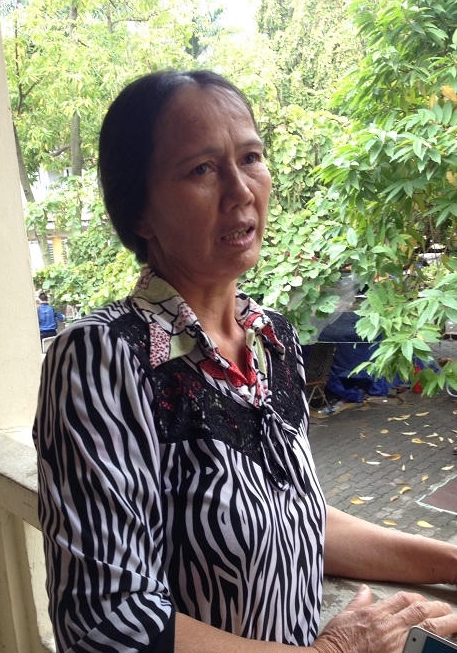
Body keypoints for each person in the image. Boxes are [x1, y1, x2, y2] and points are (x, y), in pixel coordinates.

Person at [33, 70, 457, 653]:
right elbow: (106, 620)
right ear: (140, 212)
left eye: (251, 158)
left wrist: (450, 561)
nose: (241, 191)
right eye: (201, 169)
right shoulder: (103, 357)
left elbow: (295, 519)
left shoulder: (271, 338)